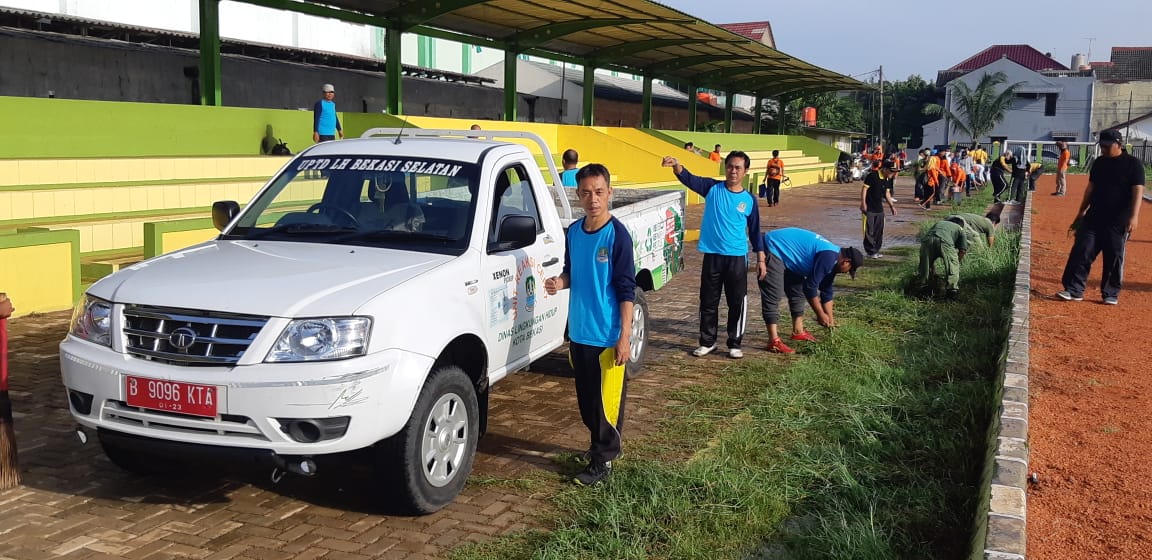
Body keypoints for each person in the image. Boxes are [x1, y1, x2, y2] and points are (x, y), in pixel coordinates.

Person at [543, 163, 636, 487]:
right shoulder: (574, 232)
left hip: (607, 335)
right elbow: (573, 271)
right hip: (580, 331)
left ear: (609, 193)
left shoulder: (617, 236)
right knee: (587, 402)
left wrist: (624, 337)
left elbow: (627, 290)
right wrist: (560, 282)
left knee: (604, 405)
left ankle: (603, 460)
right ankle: (602, 447)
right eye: (586, 192)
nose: (592, 199)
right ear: (578, 194)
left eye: (598, 192)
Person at [662, 151, 765, 359]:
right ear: (725, 168)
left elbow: (755, 231)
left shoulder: (749, 200)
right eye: (730, 166)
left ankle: (735, 343)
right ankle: (707, 342)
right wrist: (676, 165)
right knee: (708, 300)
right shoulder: (712, 188)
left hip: (737, 257)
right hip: (712, 255)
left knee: (737, 301)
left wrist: (761, 259)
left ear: (745, 171)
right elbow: (690, 179)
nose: (733, 171)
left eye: (738, 168)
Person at [1056, 129, 1145, 306]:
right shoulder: (1099, 163)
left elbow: (1138, 191)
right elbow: (1090, 188)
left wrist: (1134, 216)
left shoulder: (1133, 164)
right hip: (1094, 216)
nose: (1103, 149)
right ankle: (1074, 290)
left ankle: (1110, 293)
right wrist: (1081, 211)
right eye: (1101, 145)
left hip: (1118, 219)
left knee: (1114, 256)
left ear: (1118, 144)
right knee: (1082, 250)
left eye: (1106, 146)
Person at [758, 227, 863, 354]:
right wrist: (820, 314)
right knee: (774, 294)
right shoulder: (829, 257)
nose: (847, 273)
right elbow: (810, 287)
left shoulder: (834, 261)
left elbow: (826, 291)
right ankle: (773, 341)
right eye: (850, 270)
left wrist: (830, 320)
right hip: (774, 246)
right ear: (846, 262)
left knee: (797, 292)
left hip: (791, 256)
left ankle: (798, 331)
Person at [917, 219, 969, 300]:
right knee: (953, 266)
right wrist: (956, 263)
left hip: (927, 240)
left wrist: (932, 269)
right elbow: (962, 250)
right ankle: (952, 292)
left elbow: (933, 243)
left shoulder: (939, 223)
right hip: (945, 241)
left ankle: (923, 289)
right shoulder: (960, 229)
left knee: (925, 265)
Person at [860, 160, 899, 258]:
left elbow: (887, 193)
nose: (893, 174)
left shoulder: (887, 179)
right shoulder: (872, 176)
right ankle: (870, 252)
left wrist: (892, 206)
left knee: (879, 230)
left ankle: (876, 250)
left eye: (894, 172)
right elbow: (864, 189)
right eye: (891, 171)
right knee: (869, 231)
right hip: (869, 208)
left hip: (879, 209)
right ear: (884, 169)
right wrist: (863, 203)